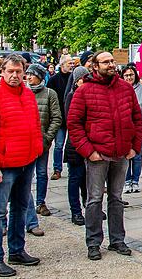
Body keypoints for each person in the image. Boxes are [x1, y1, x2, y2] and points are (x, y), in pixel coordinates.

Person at [67, 51, 142, 261]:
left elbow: (137, 118)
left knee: (117, 198)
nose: (111, 65)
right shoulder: (85, 91)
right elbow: (74, 124)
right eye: (106, 62)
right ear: (95, 66)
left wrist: (134, 147)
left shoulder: (125, 88)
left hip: (121, 153)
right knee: (94, 199)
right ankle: (93, 242)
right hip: (98, 155)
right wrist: (88, 151)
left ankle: (117, 239)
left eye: (112, 61)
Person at [0, 54, 42, 277]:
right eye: (10, 71)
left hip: (26, 160)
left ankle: (17, 250)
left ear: (24, 72)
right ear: (3, 72)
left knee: (20, 208)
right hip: (4, 165)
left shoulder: (27, 94)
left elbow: (34, 124)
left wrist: (36, 150)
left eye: (18, 71)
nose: (15, 75)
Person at [24, 64, 62, 230]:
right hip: (24, 143)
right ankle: (26, 204)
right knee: (25, 177)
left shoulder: (49, 93)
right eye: (28, 74)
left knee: (41, 173)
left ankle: (40, 202)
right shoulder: (23, 92)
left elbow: (56, 118)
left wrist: (47, 138)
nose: (29, 77)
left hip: (42, 142)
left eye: (32, 75)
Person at [63, 66, 91, 226]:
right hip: (75, 146)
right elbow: (72, 122)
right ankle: (76, 211)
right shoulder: (72, 96)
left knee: (88, 180)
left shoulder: (90, 94)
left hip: (90, 144)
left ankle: (90, 207)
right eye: (82, 79)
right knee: (75, 179)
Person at [46, 54, 73, 180]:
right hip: (60, 117)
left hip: (72, 116)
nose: (71, 66)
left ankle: (72, 166)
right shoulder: (53, 80)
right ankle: (57, 169)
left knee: (73, 145)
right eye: (69, 63)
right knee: (58, 145)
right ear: (62, 65)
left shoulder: (74, 79)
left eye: (72, 63)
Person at [122, 65, 142, 194]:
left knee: (137, 156)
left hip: (139, 130)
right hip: (124, 130)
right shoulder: (120, 89)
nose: (129, 77)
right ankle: (126, 180)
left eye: (131, 75)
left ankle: (135, 180)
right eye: (126, 75)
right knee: (126, 156)